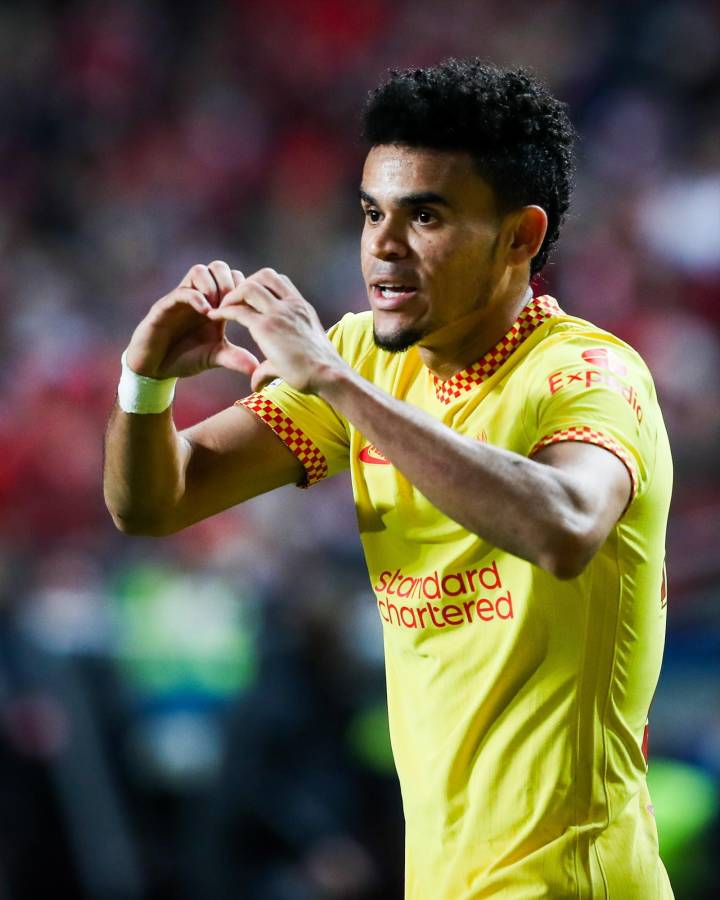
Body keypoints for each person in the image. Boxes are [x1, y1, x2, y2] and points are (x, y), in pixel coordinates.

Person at [104, 59, 674, 899]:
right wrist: (145, 383)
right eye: (372, 212)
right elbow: (158, 502)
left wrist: (334, 381)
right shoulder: (371, 362)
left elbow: (566, 524)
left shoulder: (589, 376)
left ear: (520, 236)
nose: (382, 244)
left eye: (427, 215)